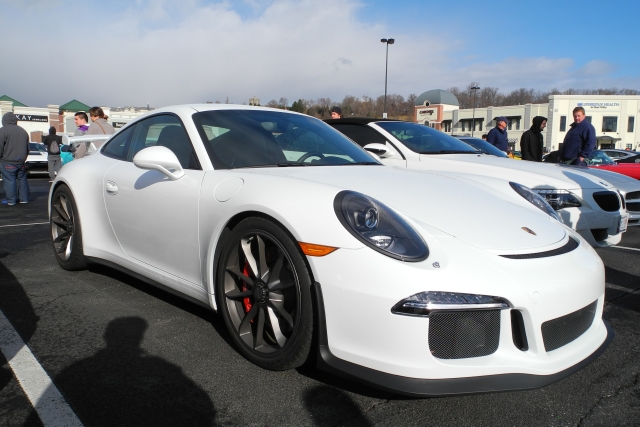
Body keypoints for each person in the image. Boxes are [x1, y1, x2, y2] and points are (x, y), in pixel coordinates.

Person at [0, 112, 30, 205]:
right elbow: (27, 148)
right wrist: (24, 158)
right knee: (22, 179)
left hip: (7, 161)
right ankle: (24, 199)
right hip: (21, 161)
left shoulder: (3, 131)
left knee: (9, 180)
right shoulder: (23, 131)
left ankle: (11, 200)